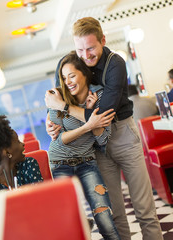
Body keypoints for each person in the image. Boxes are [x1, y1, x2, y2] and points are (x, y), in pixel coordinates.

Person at [45, 17, 162, 240]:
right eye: (80, 49)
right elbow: (57, 95)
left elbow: (101, 115)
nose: (86, 55)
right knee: (116, 214)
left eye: (91, 48)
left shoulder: (115, 63)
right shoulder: (69, 62)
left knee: (145, 209)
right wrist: (52, 122)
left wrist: (63, 107)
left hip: (123, 135)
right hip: (96, 146)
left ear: (102, 41)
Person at [47, 51, 119, 240]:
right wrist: (88, 122)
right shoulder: (58, 97)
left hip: (87, 162)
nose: (68, 81)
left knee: (105, 219)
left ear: (84, 74)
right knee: (69, 220)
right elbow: (59, 138)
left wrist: (90, 116)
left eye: (72, 75)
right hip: (59, 163)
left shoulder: (100, 94)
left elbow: (102, 139)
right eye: (64, 77)